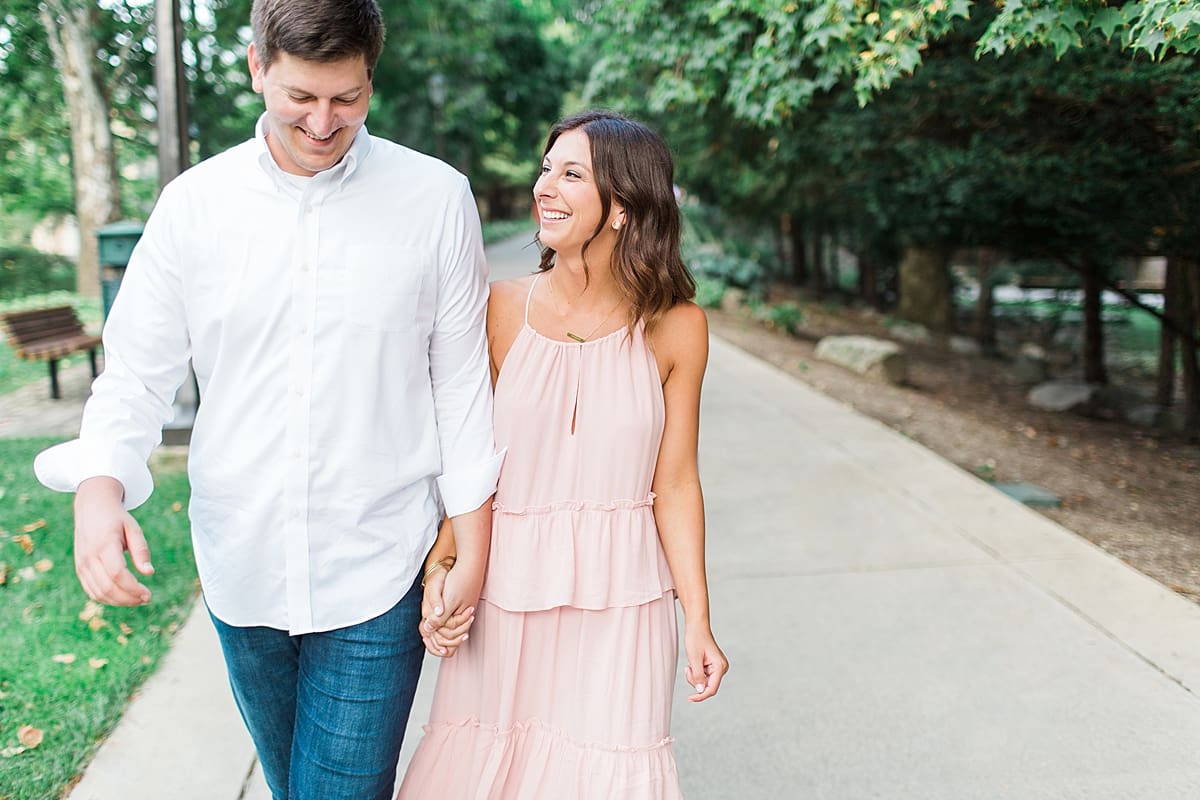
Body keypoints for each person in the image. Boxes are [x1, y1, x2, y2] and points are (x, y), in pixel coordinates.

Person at [33, 1, 501, 797]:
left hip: (379, 564)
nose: (323, 122)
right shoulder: (194, 205)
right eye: (300, 97)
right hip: (241, 561)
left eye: (346, 98)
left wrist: (471, 544)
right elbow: (138, 370)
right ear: (257, 67)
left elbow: (460, 386)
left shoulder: (435, 200)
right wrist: (99, 488)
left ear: (370, 80)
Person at [397, 110, 729, 799]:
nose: (545, 186)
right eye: (546, 168)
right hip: (505, 590)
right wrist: (445, 562)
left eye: (571, 174)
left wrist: (697, 617)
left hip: (625, 600)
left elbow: (675, 483)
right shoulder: (498, 310)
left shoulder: (678, 328)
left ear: (622, 206)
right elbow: (464, 459)